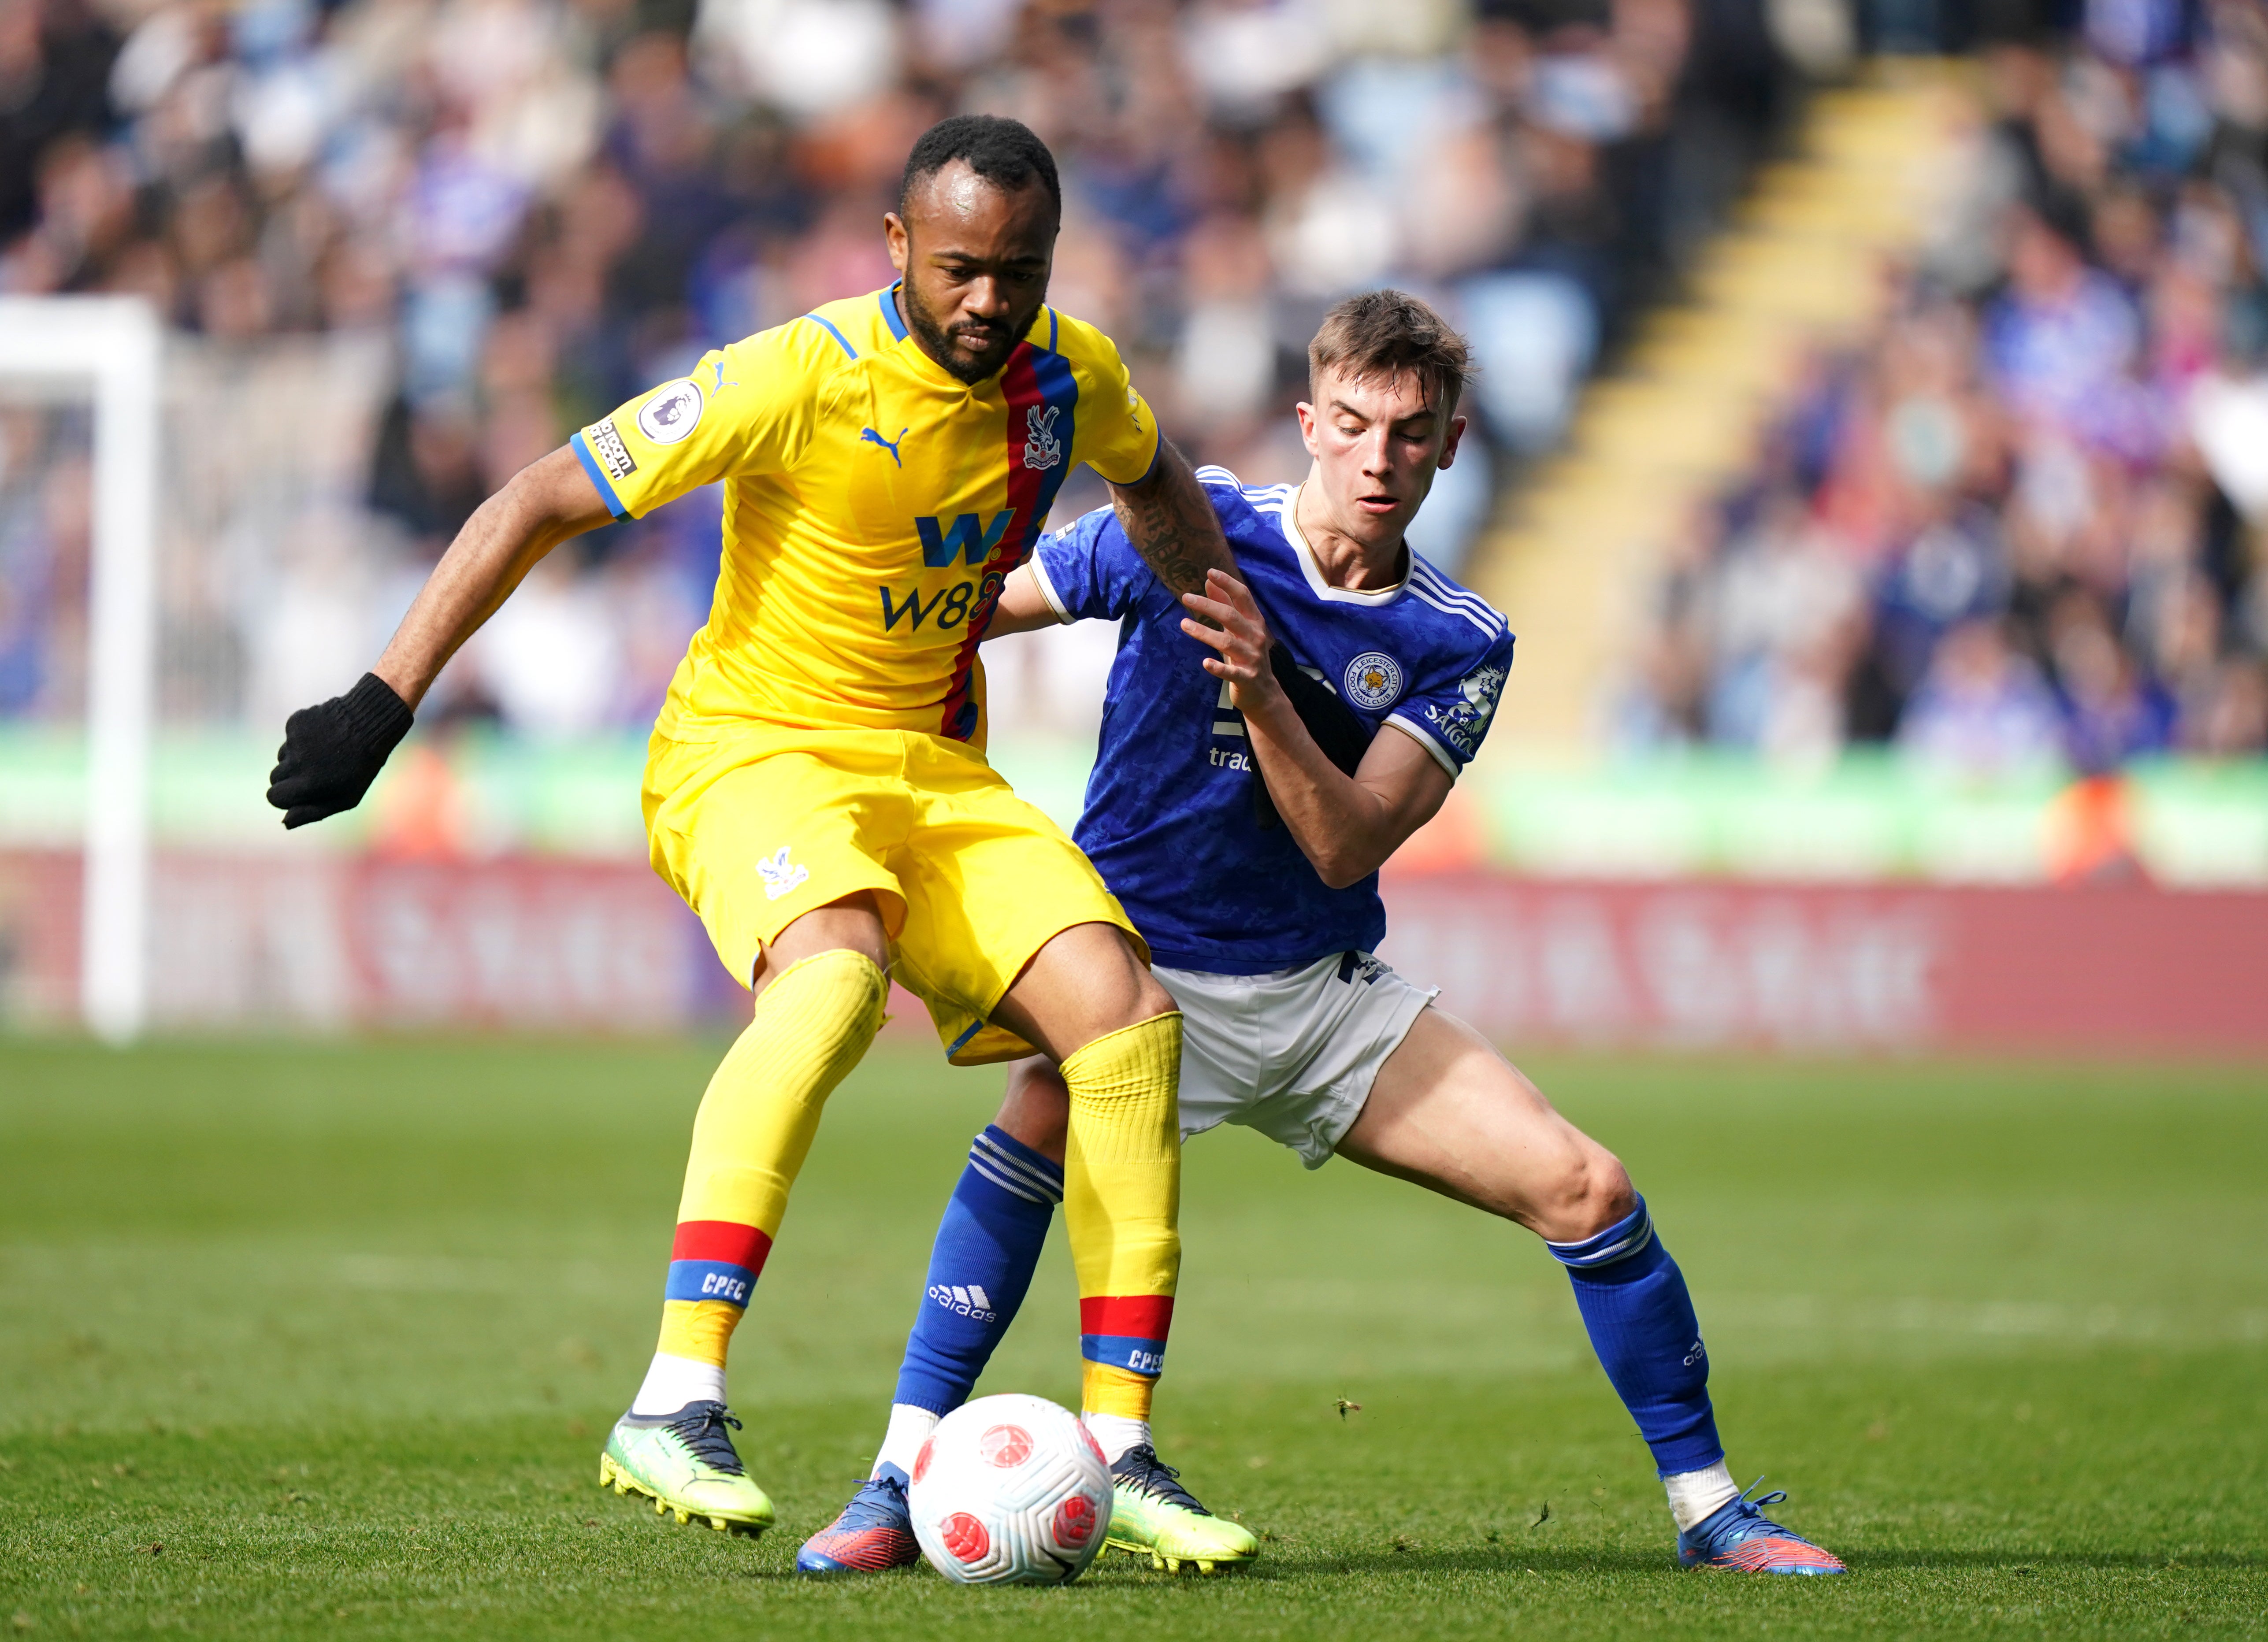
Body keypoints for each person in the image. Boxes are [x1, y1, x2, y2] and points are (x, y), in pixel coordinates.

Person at [264, 115, 1251, 1539]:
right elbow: (542, 495)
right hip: (754, 750)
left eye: (1018, 271)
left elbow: (1154, 477)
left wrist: (1219, 614)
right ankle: (675, 1396)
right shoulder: (796, 373)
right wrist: (384, 697)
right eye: (962, 267)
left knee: (1124, 1019)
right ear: (899, 246)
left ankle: (1120, 1447)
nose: (989, 300)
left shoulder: (1068, 375)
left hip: (931, 766)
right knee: (834, 979)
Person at [797, 291, 1848, 1578]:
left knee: (1590, 1189)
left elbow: (1349, 842)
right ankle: (893, 1483)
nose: (1377, 458)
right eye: (1351, 425)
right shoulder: (1188, 528)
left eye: (1410, 434)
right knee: (1032, 1119)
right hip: (1133, 975)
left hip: (1314, 999)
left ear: (1449, 444)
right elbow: (974, 612)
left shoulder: (1456, 641)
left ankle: (1710, 1511)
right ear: (1308, 421)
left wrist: (1259, 688)